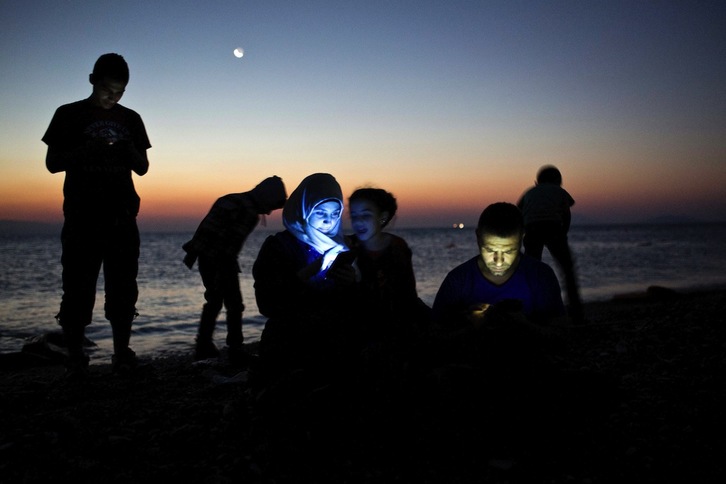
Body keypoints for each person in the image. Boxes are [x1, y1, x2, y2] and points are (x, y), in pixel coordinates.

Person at [42, 53, 151, 378]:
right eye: (107, 89)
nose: (112, 97)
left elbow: (143, 167)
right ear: (92, 80)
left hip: (122, 216)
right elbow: (51, 162)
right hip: (82, 216)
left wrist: (125, 150)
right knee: (77, 288)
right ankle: (75, 357)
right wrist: (85, 151)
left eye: (119, 92)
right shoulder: (68, 114)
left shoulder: (131, 119)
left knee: (123, 289)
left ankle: (122, 354)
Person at [252, 173, 360, 385]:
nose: (329, 221)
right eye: (320, 212)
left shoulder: (345, 246)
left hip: (337, 337)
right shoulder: (279, 247)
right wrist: (310, 272)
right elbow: (267, 303)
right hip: (291, 339)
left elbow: (354, 303)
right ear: (303, 208)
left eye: (335, 213)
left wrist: (352, 283)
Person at [182, 176, 287, 365]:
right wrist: (226, 269)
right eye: (272, 206)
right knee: (234, 305)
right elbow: (230, 246)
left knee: (213, 301)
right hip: (220, 259)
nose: (270, 212)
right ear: (266, 198)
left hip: (204, 257)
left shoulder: (229, 199)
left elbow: (204, 231)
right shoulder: (248, 213)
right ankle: (234, 349)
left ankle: (204, 346)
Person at [432, 202, 565, 329]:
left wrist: (524, 325)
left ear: (521, 238)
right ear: (478, 238)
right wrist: (468, 321)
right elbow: (436, 331)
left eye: (508, 251)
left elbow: (560, 330)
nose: (499, 261)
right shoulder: (458, 281)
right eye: (490, 250)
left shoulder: (540, 276)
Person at [347, 187, 430, 342]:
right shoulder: (348, 247)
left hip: (395, 328)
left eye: (366, 215)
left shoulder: (397, 247)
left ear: (382, 218)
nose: (358, 222)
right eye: (354, 215)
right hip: (361, 328)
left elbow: (407, 294)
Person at [517, 165, 584, 324]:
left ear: (536, 181)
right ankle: (576, 312)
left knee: (531, 269)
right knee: (567, 270)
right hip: (553, 227)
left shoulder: (530, 192)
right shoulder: (559, 191)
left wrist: (522, 234)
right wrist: (563, 234)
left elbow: (519, 211)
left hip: (531, 229)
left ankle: (530, 310)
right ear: (559, 181)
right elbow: (566, 214)